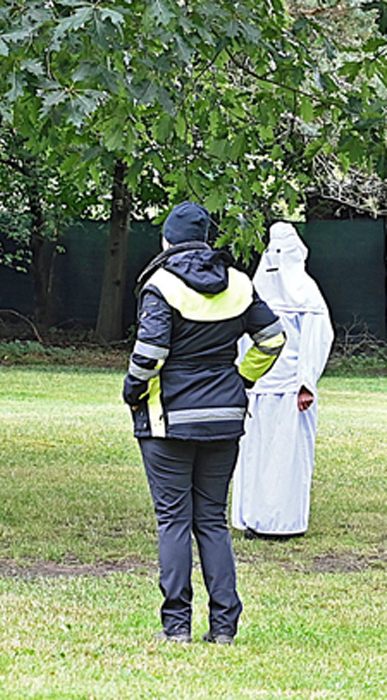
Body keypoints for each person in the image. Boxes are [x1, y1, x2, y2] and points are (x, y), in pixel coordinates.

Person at [122, 201, 286, 645]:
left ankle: (176, 627)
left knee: (173, 520)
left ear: (167, 240)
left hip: (169, 421)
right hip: (225, 418)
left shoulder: (160, 284)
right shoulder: (239, 282)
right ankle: (224, 628)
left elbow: (151, 352)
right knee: (211, 520)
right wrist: (241, 378)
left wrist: (132, 391)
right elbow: (273, 339)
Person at [232, 222, 334, 540]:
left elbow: (315, 341)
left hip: (291, 390)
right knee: (257, 452)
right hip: (259, 388)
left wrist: (306, 384)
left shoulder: (306, 295)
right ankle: (255, 519)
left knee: (287, 456)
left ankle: (284, 522)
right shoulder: (256, 291)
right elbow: (243, 340)